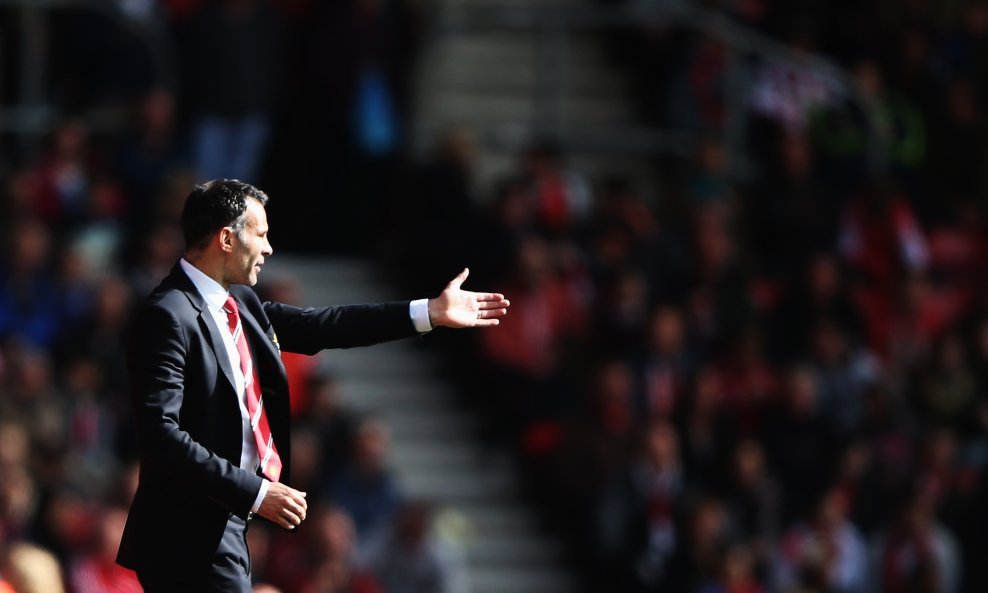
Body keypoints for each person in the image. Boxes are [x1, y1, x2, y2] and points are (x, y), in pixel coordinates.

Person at [115, 179, 510, 592]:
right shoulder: (169, 314)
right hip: (185, 536)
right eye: (261, 234)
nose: (269, 248)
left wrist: (429, 312)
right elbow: (161, 435)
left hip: (224, 525)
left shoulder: (240, 303)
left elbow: (323, 325)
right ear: (227, 239)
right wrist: (256, 492)